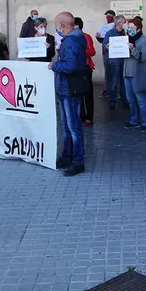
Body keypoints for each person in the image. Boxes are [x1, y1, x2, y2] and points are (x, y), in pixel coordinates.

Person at [50, 12, 88, 177]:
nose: (56, 27)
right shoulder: (73, 39)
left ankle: (77, 161)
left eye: (57, 24)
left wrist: (54, 66)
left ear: (62, 24)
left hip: (70, 89)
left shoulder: (71, 41)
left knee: (73, 127)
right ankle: (67, 155)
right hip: (66, 88)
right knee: (66, 126)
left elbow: (70, 66)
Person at [123, 18, 146, 132]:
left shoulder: (144, 41)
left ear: (138, 29)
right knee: (130, 99)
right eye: (129, 28)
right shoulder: (125, 40)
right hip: (127, 73)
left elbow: (143, 57)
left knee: (141, 99)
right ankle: (134, 119)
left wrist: (133, 49)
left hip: (138, 73)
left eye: (132, 28)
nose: (130, 30)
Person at [74, 17, 97, 126]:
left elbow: (92, 51)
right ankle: (81, 115)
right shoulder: (70, 37)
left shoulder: (86, 37)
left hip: (85, 67)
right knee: (78, 93)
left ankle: (89, 117)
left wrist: (79, 50)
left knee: (87, 94)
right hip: (75, 68)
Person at [103, 15, 129, 110]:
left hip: (123, 61)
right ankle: (112, 101)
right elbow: (104, 46)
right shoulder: (109, 33)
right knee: (113, 83)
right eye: (124, 22)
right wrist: (107, 46)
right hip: (113, 62)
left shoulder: (125, 34)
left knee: (123, 82)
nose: (125, 24)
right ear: (120, 23)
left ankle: (124, 99)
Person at [96, 10, 116, 99]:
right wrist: (97, 37)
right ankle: (107, 90)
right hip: (106, 52)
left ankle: (115, 91)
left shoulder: (116, 27)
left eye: (110, 16)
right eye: (107, 16)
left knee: (115, 72)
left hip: (115, 52)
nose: (108, 17)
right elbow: (102, 41)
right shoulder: (104, 27)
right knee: (108, 72)